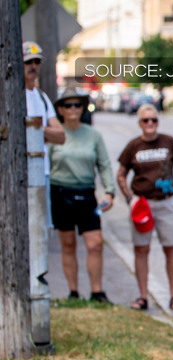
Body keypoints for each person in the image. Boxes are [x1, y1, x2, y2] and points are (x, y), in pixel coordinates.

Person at [116, 104, 173, 311]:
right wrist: (130, 199)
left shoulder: (169, 142)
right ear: (139, 123)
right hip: (143, 205)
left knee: (171, 248)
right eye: (146, 120)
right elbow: (121, 174)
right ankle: (142, 296)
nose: (150, 124)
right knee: (141, 249)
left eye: (154, 120)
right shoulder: (134, 146)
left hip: (167, 203)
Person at [49, 88, 115, 302]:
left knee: (95, 243)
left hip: (86, 193)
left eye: (77, 105)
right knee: (68, 245)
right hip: (61, 192)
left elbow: (104, 164)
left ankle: (97, 291)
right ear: (60, 109)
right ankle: (73, 292)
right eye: (68, 105)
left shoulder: (93, 134)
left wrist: (109, 191)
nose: (73, 109)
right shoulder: (55, 135)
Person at [23, 41, 66, 223]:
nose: (33, 66)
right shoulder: (12, 94)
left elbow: (61, 136)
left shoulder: (42, 97)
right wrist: (45, 132)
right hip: (20, 170)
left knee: (41, 227)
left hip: (43, 169)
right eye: (28, 62)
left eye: (37, 62)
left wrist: (33, 128)